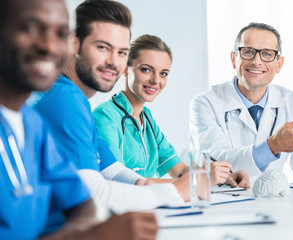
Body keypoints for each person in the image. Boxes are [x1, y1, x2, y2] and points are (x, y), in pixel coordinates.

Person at [0, 0, 157, 239]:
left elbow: (85, 202)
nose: (50, 46)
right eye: (30, 28)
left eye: (60, 34)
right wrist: (93, 236)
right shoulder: (64, 100)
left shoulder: (31, 123)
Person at [34, 0, 190, 221]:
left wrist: (145, 185)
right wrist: (174, 192)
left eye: (121, 52)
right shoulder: (64, 100)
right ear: (73, 44)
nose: (113, 62)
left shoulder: (77, 102)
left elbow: (113, 172)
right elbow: (95, 193)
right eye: (103, 47)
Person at [92, 34, 250, 187]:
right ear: (125, 68)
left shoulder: (146, 119)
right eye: (146, 70)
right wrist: (199, 181)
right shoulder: (105, 116)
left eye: (163, 73)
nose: (156, 80)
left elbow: (179, 169)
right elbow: (118, 180)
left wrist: (224, 177)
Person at [189, 22, 293, 179]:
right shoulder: (205, 103)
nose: (256, 61)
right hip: (224, 200)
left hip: (272, 200)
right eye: (248, 52)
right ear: (233, 59)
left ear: (279, 64)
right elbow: (215, 163)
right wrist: (273, 146)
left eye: (267, 54)